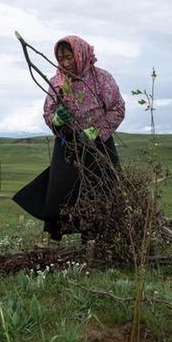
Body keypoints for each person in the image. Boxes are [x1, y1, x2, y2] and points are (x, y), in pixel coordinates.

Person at [13, 35, 125, 245]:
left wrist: (96, 131)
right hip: (68, 144)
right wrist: (56, 119)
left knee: (99, 191)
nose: (65, 63)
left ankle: (92, 241)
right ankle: (54, 239)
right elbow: (48, 112)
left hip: (98, 145)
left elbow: (118, 108)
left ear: (80, 54)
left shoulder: (102, 79)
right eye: (60, 58)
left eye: (69, 57)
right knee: (60, 191)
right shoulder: (57, 82)